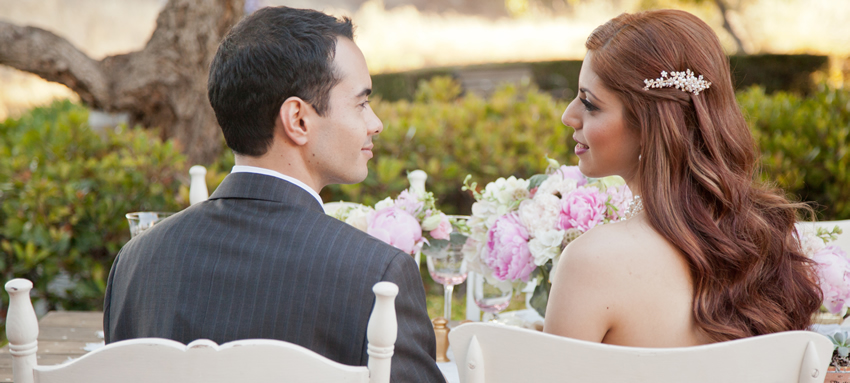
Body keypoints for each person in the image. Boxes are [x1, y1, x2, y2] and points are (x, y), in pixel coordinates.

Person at [103, 7, 445, 382]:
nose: (375, 123)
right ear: (298, 120)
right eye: (361, 103)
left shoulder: (135, 264)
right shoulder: (377, 277)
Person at [543, 9, 821, 346]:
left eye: (590, 103)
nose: (568, 115)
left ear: (650, 125)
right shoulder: (765, 242)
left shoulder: (590, 262)